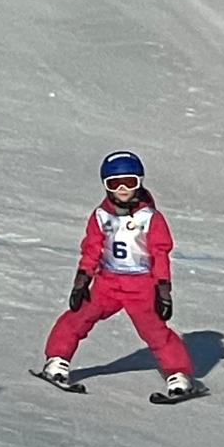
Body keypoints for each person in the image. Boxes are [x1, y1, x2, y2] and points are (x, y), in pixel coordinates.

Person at [37, 152, 197, 398]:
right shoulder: (101, 216)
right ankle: (57, 360)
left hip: (141, 285)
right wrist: (82, 281)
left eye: (129, 182)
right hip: (107, 283)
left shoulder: (150, 218)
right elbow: (92, 249)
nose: (122, 189)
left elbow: (160, 254)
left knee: (154, 330)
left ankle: (178, 375)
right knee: (78, 317)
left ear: (139, 182)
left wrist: (163, 290)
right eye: (115, 184)